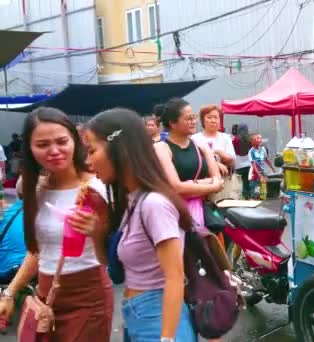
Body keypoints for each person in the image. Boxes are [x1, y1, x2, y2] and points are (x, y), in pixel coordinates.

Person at [0, 107, 113, 341]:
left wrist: (97, 231)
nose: (54, 151)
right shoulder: (36, 190)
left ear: (75, 140)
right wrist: (9, 294)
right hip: (45, 300)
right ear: (29, 149)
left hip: (89, 297)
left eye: (62, 141)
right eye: (42, 145)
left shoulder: (97, 188)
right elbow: (36, 251)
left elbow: (116, 254)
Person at [85, 108, 197, 342]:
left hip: (158, 320)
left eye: (92, 150)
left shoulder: (153, 204)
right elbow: (118, 271)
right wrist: (95, 234)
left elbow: (175, 277)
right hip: (136, 316)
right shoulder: (131, 202)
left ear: (120, 149)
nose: (88, 161)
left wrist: (166, 338)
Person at [153, 98, 223, 200]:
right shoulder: (161, 147)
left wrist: (190, 185)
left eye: (194, 117)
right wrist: (208, 184)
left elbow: (218, 181)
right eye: (189, 119)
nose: (194, 122)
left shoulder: (201, 146)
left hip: (201, 208)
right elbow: (176, 188)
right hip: (174, 209)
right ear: (172, 123)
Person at [191, 105, 235, 176]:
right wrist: (215, 164)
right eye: (209, 117)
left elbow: (231, 159)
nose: (213, 120)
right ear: (203, 120)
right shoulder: (195, 138)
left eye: (216, 117)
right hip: (202, 180)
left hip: (224, 179)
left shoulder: (226, 137)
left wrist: (218, 152)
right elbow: (193, 161)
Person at [248, 133, 275, 199]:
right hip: (254, 175)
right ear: (252, 141)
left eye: (260, 138)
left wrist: (272, 168)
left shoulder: (263, 149)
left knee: (263, 193)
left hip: (261, 173)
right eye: (257, 138)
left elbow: (266, 159)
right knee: (255, 193)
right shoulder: (251, 152)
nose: (260, 140)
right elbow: (254, 166)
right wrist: (260, 176)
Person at [233, 124, 252, 199]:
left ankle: (241, 196)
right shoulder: (249, 140)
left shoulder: (235, 140)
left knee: (239, 182)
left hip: (238, 164)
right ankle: (248, 196)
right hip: (248, 163)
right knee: (247, 181)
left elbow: (233, 151)